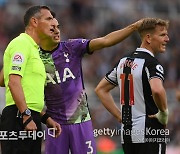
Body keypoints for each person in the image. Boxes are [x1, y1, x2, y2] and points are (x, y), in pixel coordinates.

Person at [39, 17, 144, 154]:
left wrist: (134, 27)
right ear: (40, 30)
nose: (57, 31)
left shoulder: (71, 47)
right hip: (54, 125)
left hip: (81, 121)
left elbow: (106, 41)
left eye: (58, 27)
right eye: (52, 28)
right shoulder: (34, 57)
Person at [95, 18, 169, 154]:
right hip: (149, 130)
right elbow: (157, 90)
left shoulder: (123, 61)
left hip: (127, 132)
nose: (167, 39)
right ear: (148, 38)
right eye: (162, 35)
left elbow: (100, 89)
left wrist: (119, 116)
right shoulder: (152, 63)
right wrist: (164, 114)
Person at [1, 6, 61, 154]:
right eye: (48, 19)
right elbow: (13, 82)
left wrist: (45, 118)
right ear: (34, 21)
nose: (53, 23)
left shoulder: (34, 50)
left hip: (29, 116)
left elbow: (26, 91)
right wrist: (26, 116)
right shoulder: (21, 43)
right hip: (19, 117)